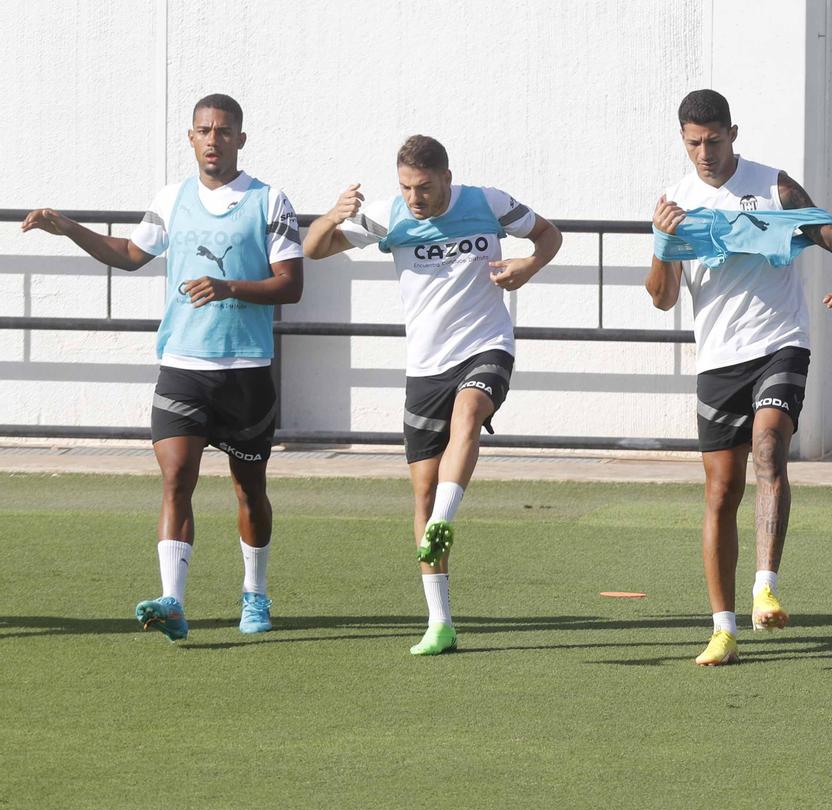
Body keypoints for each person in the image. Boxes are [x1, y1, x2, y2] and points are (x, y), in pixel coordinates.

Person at [21, 94, 303, 641]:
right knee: (176, 479)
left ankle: (256, 593)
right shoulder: (173, 199)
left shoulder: (270, 201)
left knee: (249, 490)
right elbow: (130, 254)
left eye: (224, 131)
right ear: (191, 137)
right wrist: (70, 228)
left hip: (245, 369)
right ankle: (173, 601)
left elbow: (290, 284)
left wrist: (227, 287)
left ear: (240, 139)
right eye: (204, 130)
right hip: (182, 365)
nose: (213, 139)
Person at [302, 135, 562, 655]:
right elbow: (314, 248)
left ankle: (444, 521)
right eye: (405, 187)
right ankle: (440, 622)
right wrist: (332, 215)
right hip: (424, 366)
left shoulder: (486, 202)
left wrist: (527, 267)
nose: (414, 198)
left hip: (485, 345)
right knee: (421, 490)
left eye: (423, 187)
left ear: (446, 176)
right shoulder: (388, 214)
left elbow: (549, 237)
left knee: (469, 414)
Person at [645, 89, 832, 668]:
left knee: (769, 448)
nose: (705, 153)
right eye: (694, 143)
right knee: (720, 493)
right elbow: (663, 299)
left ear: (733, 134)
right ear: (683, 140)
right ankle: (722, 629)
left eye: (714, 141)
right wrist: (663, 246)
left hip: (779, 343)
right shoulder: (677, 202)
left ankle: (765, 585)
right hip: (718, 360)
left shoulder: (774, 186)